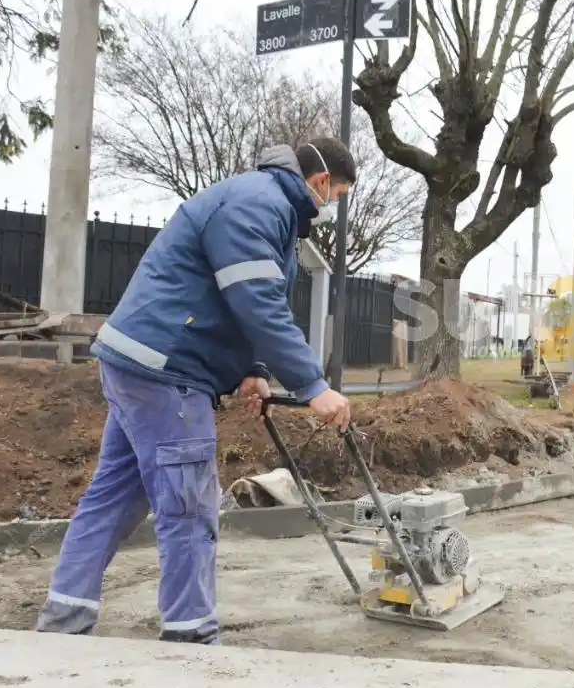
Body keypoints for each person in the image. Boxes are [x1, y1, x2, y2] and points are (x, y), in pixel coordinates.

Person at [35, 139, 356, 646]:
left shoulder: (256, 199)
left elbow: (232, 298)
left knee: (114, 498)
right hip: (169, 370)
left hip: (140, 363)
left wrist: (252, 369)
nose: (330, 206)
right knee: (188, 507)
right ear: (320, 182)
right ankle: (191, 640)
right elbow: (257, 302)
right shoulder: (262, 204)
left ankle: (63, 621)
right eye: (335, 195)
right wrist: (313, 385)